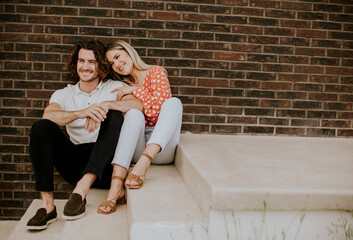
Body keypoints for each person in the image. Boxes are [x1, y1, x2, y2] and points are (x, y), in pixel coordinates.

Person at [26, 40, 142, 230]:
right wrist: (82, 112)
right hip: (76, 164)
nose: (85, 67)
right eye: (81, 61)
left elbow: (138, 106)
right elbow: (49, 116)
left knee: (115, 115)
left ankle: (81, 190)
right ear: (76, 63)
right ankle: (47, 207)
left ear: (101, 66)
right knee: (41, 127)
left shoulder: (114, 87)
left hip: (108, 167)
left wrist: (105, 105)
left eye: (92, 62)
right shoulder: (64, 94)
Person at [97, 40, 183, 214]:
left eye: (118, 57)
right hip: (136, 148)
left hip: (161, 148)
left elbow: (157, 109)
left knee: (173, 103)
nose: (117, 65)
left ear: (128, 52)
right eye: (112, 64)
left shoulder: (155, 72)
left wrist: (135, 90)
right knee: (134, 114)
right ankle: (116, 187)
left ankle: (143, 163)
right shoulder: (122, 86)